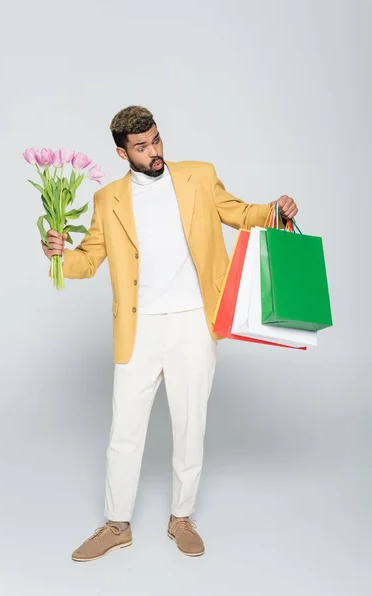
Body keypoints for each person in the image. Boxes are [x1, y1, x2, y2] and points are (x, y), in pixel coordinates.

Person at [42, 106, 298, 561]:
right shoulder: (108, 200)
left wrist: (274, 212)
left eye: (157, 140)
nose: (155, 151)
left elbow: (240, 213)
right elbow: (88, 260)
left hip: (194, 321)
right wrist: (60, 255)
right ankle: (116, 523)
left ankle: (181, 516)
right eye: (142, 147)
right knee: (125, 427)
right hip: (137, 327)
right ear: (123, 152)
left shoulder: (199, 177)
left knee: (189, 423)